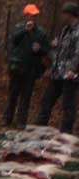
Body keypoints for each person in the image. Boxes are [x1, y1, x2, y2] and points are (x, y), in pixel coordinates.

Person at [4, 4, 50, 129]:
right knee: (12, 94)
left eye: (35, 15)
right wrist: (25, 30)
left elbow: (47, 50)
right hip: (16, 67)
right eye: (30, 15)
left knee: (26, 97)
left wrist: (40, 49)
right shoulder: (18, 28)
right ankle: (7, 119)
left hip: (31, 69)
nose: (33, 17)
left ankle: (21, 122)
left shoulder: (41, 33)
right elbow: (13, 40)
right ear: (26, 15)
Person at [36, 2, 79, 134]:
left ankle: (66, 134)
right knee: (46, 101)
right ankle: (39, 128)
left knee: (68, 106)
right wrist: (52, 68)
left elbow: (78, 54)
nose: (62, 16)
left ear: (70, 14)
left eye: (64, 13)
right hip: (57, 73)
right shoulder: (65, 30)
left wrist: (72, 70)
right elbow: (59, 52)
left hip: (69, 75)